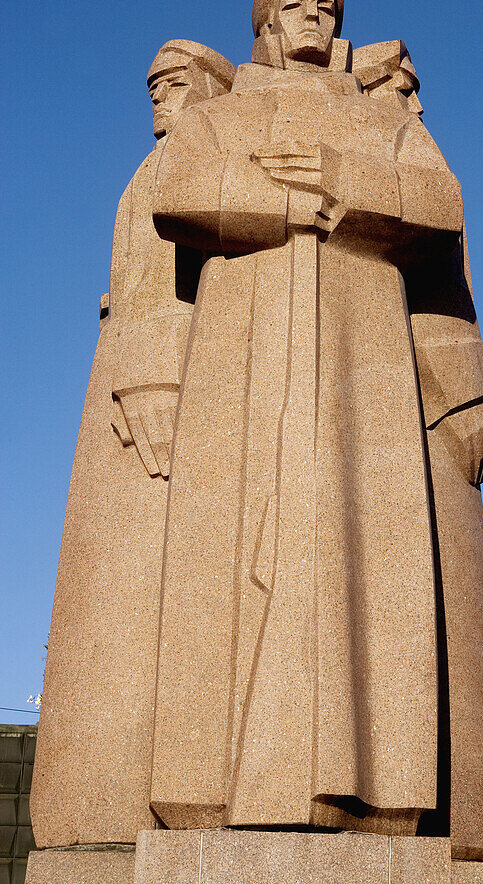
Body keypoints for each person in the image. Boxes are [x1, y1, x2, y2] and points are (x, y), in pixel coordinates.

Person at [149, 0, 483, 861]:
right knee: (232, 553)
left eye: (325, 5)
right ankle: (212, 784)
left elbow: (440, 204)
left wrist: (342, 179)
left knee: (357, 550)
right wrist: (282, 204)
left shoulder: (379, 120)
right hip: (242, 351)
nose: (311, 15)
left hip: (363, 367)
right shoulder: (220, 115)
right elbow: (179, 193)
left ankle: (370, 788)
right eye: (294, 3)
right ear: (266, 19)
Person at [31, 41, 235, 848]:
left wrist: (151, 374)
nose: (157, 93)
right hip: (125, 394)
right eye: (153, 83)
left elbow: (169, 287)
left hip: (154, 397)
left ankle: (123, 800)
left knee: (142, 593)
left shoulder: (191, 157)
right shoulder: (156, 164)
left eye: (174, 82)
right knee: (114, 596)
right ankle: (98, 801)